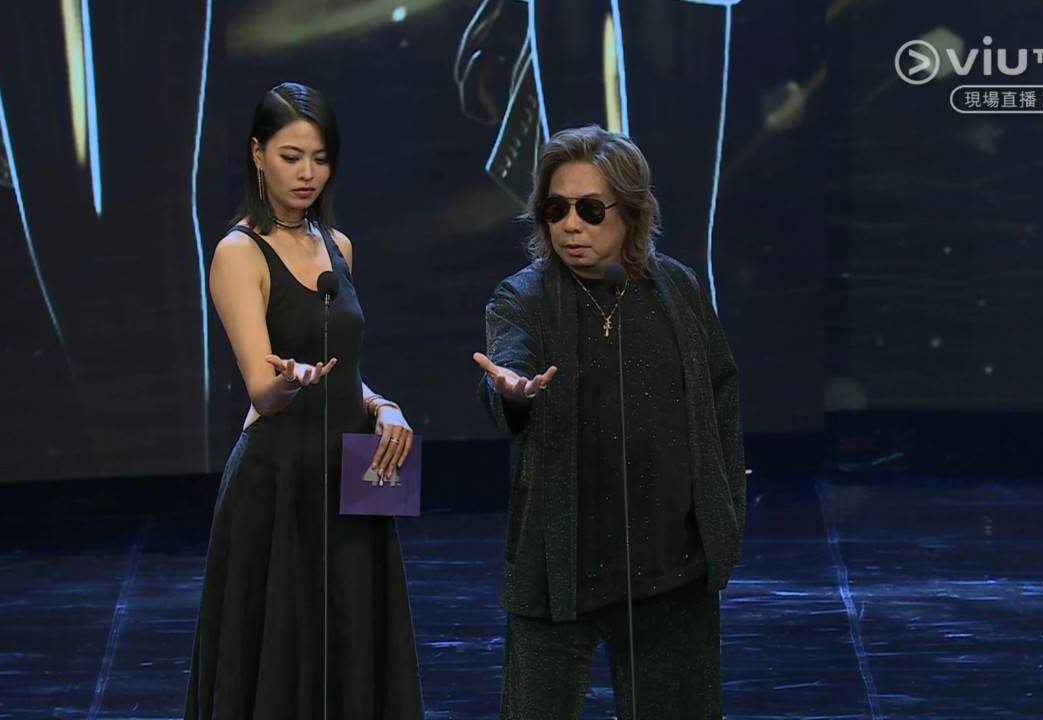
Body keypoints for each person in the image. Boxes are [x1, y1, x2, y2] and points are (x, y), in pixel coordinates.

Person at [473, 125, 745, 719]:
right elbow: (509, 369)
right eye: (556, 209)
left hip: (672, 569)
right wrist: (514, 393)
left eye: (590, 210)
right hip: (559, 569)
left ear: (632, 213)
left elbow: (720, 396)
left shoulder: (677, 288)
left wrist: (725, 516)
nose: (571, 225)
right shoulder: (522, 298)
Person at [186, 82, 423, 719]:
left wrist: (383, 406)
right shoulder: (239, 253)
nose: (306, 173)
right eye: (291, 157)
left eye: (319, 159)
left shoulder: (337, 246)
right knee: (284, 656)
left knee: (354, 641)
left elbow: (344, 371)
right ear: (257, 154)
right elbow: (263, 389)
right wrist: (289, 380)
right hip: (280, 479)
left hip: (351, 473)